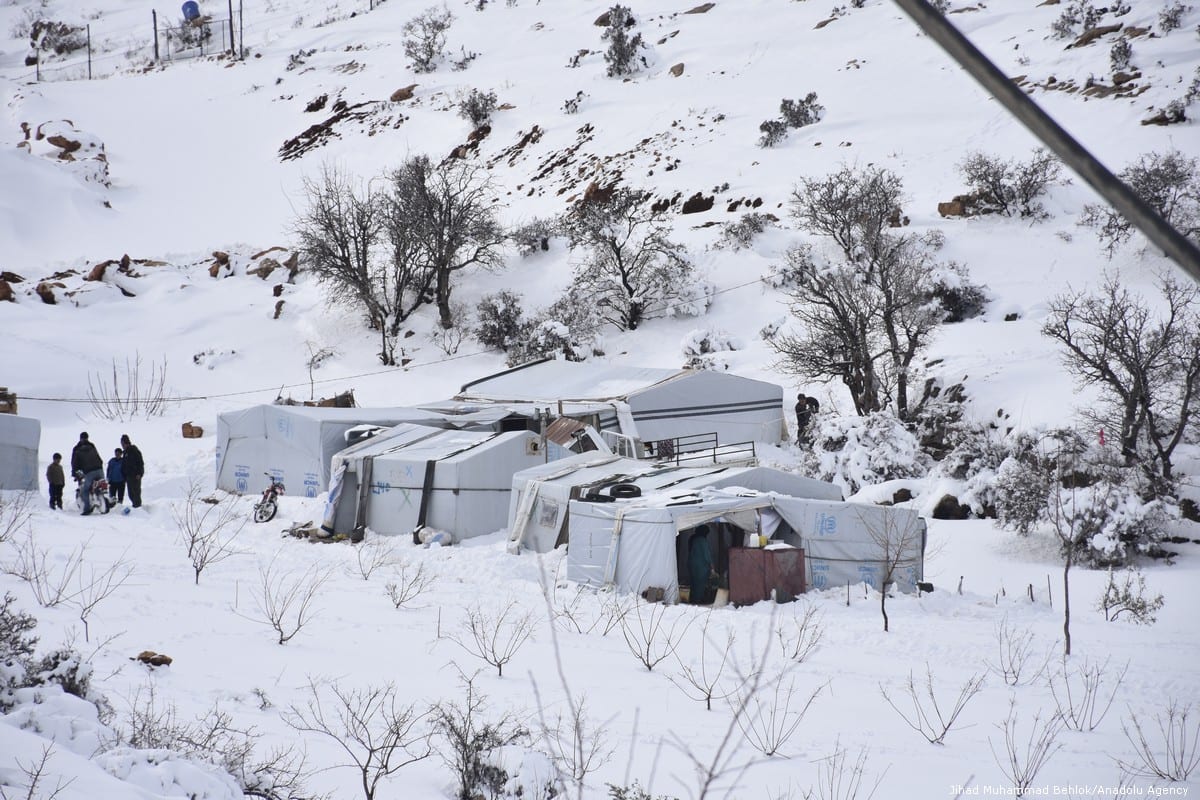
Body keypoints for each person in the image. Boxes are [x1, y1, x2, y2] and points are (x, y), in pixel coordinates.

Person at [70, 432, 104, 515]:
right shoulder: (92, 446)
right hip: (99, 469)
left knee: (85, 490)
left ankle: (87, 508)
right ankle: (103, 500)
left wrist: (74, 473)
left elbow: (74, 463)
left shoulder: (77, 449)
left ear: (80, 438)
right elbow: (99, 458)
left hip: (89, 472)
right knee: (101, 485)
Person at [687, 525, 715, 605]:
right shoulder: (703, 540)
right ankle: (697, 600)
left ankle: (692, 598)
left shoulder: (693, 539)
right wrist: (711, 565)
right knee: (700, 583)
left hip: (691, 563)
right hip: (701, 566)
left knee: (693, 582)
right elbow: (707, 555)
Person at [120, 434, 145, 508]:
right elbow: (124, 465)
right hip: (128, 476)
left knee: (136, 492)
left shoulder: (134, 451)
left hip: (135, 475)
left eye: (123, 444)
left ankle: (138, 507)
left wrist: (139, 473)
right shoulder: (125, 453)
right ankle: (135, 506)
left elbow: (140, 463)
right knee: (131, 493)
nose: (122, 445)